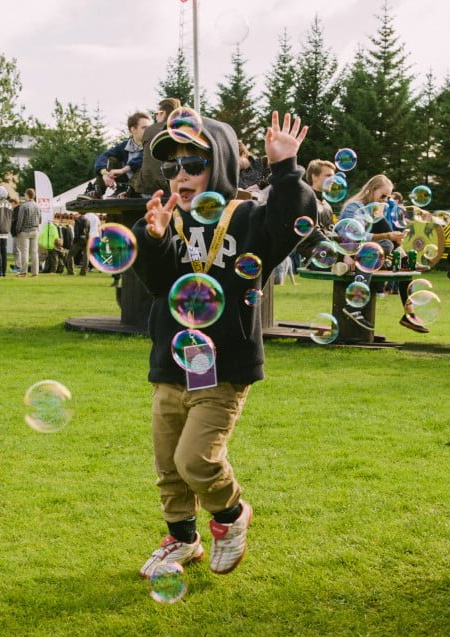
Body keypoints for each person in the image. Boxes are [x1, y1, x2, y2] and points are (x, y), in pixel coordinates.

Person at [132, 111, 316, 579]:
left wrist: (286, 166)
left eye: (192, 163)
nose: (181, 175)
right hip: (171, 363)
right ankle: (182, 539)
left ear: (221, 163)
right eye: (171, 168)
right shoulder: (165, 221)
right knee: (168, 466)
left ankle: (232, 516)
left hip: (225, 366)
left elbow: (295, 220)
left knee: (196, 459)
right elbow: (159, 285)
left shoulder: (249, 219)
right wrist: (152, 239)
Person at [340, 175, 427, 333]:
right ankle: (352, 305)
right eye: (383, 196)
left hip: (368, 253)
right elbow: (351, 236)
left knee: (392, 247)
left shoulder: (374, 211)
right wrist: (388, 236)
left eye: (388, 197)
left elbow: (382, 234)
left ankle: (409, 313)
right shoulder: (354, 207)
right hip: (347, 251)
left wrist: (394, 238)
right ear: (371, 191)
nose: (385, 201)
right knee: (387, 241)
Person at [91, 112, 151, 199]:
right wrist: (105, 174)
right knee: (111, 159)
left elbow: (142, 159)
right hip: (126, 185)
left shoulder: (152, 145)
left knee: (145, 164)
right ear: (133, 130)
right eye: (144, 128)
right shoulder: (124, 146)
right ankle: (97, 190)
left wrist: (122, 170)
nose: (149, 131)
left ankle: (127, 190)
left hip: (145, 190)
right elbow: (102, 157)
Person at [133, 97, 180, 197]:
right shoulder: (180, 130)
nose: (155, 117)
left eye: (157, 113)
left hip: (147, 186)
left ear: (163, 113)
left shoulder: (149, 130)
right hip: (172, 186)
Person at [13, 188, 41, 277]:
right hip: (35, 230)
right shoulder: (37, 206)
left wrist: (17, 230)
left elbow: (20, 220)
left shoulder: (23, 206)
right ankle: (35, 273)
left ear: (27, 195)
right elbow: (40, 220)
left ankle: (23, 272)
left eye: (25, 194)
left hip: (25, 231)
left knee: (24, 252)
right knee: (34, 252)